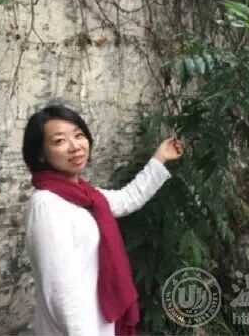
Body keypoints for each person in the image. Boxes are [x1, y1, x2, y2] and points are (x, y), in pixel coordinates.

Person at [22, 104, 184, 336]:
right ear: (41, 154)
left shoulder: (86, 195)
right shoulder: (47, 205)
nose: (75, 146)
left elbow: (127, 199)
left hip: (100, 319)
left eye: (78, 135)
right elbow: (59, 290)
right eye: (59, 141)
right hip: (78, 328)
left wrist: (160, 158)